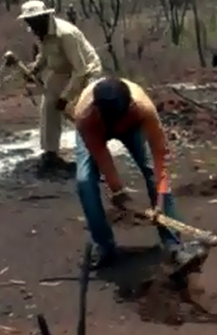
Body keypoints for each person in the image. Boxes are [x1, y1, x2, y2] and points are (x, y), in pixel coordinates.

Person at [73, 76, 205, 270]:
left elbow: (160, 155)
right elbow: (102, 156)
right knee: (84, 182)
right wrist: (117, 189)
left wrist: (159, 202)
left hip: (132, 126)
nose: (116, 126)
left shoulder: (143, 108)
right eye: (113, 121)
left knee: (151, 170)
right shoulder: (85, 116)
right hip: (96, 128)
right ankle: (104, 246)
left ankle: (174, 246)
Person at [19, 0, 102, 171]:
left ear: (45, 17)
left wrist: (66, 97)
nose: (31, 25)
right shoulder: (39, 32)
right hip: (63, 70)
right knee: (49, 105)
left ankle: (95, 152)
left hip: (86, 71)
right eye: (29, 21)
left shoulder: (66, 34)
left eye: (34, 21)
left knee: (81, 110)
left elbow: (80, 70)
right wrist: (34, 69)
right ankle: (50, 153)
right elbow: (44, 55)